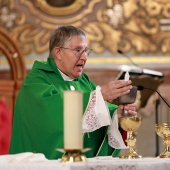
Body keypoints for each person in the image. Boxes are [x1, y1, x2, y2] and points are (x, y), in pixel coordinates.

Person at [9, 25, 136, 159]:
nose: (84, 57)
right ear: (58, 52)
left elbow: (99, 109)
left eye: (86, 51)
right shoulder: (37, 80)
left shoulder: (83, 81)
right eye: (78, 50)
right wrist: (101, 95)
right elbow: (50, 113)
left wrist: (117, 114)